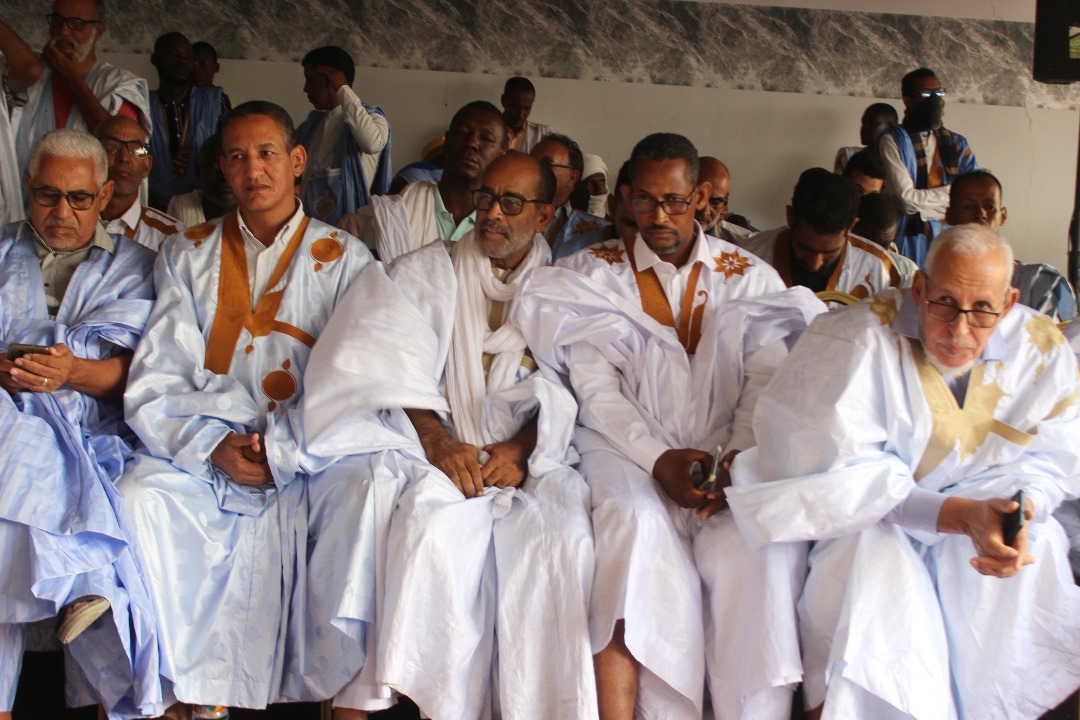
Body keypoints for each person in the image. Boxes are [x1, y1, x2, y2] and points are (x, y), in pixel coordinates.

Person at [514, 133, 822, 719]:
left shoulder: (750, 276)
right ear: (625, 198)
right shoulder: (590, 274)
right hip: (625, 451)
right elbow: (597, 392)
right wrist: (658, 460)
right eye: (645, 201)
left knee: (761, 553)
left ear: (700, 196)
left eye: (674, 201)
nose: (658, 216)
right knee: (633, 527)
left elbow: (765, 383)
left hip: (727, 460)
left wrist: (731, 462)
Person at [728, 224, 1080, 719]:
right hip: (872, 523)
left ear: (1009, 302)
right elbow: (831, 478)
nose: (959, 329)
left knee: (1034, 555)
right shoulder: (853, 339)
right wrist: (957, 516)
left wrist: (1018, 512)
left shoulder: (1040, 349)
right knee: (874, 581)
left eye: (982, 309)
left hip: (983, 513)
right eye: (944, 303)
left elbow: (1054, 460)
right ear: (919, 288)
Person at [311, 153, 596, 718]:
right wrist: (438, 443)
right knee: (426, 533)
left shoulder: (565, 292)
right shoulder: (422, 272)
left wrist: (522, 449)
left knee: (563, 545)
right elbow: (380, 364)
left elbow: (577, 386)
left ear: (544, 216)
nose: (492, 214)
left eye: (511, 203)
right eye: (486, 198)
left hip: (532, 459)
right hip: (432, 454)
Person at [117, 101, 376, 714]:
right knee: (138, 496)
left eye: (266, 154)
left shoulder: (347, 258)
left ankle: (346, 697)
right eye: (236, 157)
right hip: (205, 447)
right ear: (223, 169)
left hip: (309, 450)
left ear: (297, 161)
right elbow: (160, 367)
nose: (252, 170)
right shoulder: (186, 252)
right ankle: (180, 697)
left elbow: (359, 378)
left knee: (368, 492)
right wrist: (211, 444)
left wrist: (284, 447)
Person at [0, 128, 164, 720]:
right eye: (47, 195)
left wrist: (71, 371)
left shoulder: (138, 266)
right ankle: (83, 581)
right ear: (27, 187)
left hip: (90, 422)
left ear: (104, 196)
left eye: (78, 198)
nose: (61, 212)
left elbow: (145, 374)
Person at [1, 1, 150, 196]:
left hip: (85, 210)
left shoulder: (118, 85)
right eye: (57, 20)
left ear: (98, 31)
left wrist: (72, 79)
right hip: (20, 207)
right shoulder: (33, 75)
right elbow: (29, 69)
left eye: (76, 23)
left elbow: (117, 142)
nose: (64, 30)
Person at [357, 100, 507, 262]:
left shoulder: (502, 228)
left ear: (501, 155)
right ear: (447, 141)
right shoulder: (394, 213)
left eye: (486, 138)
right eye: (462, 132)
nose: (472, 143)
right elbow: (372, 273)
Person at [742, 168, 897, 303]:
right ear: (790, 217)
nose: (815, 264)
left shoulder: (877, 271)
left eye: (830, 252)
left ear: (851, 227)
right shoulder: (748, 258)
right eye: (805, 248)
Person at [945, 169, 1077, 322]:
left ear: (1003, 216)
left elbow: (1055, 336)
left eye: (989, 207)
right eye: (969, 206)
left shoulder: (1040, 284)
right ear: (950, 215)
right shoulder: (934, 285)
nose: (981, 214)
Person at [878, 67, 977, 266]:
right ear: (907, 100)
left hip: (950, 242)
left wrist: (923, 206)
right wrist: (952, 196)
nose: (934, 100)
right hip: (906, 240)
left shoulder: (957, 143)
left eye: (938, 93)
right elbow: (905, 201)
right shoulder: (893, 140)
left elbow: (972, 197)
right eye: (925, 94)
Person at [297, 45, 391, 225]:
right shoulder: (310, 127)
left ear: (330, 78)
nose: (305, 88)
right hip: (310, 230)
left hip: (351, 232)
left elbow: (372, 143)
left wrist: (342, 88)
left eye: (310, 79)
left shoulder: (371, 118)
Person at [147, 31, 229, 211]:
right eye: (174, 54)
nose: (182, 61)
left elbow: (228, 150)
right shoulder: (142, 102)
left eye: (188, 56)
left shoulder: (215, 101)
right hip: (152, 206)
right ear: (155, 59)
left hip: (204, 207)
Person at [96, 115, 185, 252]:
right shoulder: (68, 223)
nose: (124, 157)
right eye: (112, 146)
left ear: (146, 167)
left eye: (136, 149)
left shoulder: (173, 237)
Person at [165, 131, 236, 226]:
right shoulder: (180, 207)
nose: (224, 176)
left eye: (233, 166)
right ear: (199, 170)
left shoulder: (255, 216)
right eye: (214, 166)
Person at [852, 191, 917, 282]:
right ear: (852, 228)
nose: (880, 254)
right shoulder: (836, 267)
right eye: (872, 247)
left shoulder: (907, 271)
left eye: (885, 246)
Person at [531, 132, 583, 243]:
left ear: (572, 177)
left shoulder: (587, 228)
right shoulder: (510, 209)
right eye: (531, 160)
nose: (534, 168)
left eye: (546, 163)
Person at [695, 156, 752, 246]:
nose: (705, 211)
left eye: (715, 202)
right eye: (698, 198)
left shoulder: (739, 248)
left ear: (725, 202)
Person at [833, 102, 898, 173]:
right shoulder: (848, 155)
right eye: (863, 122)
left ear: (890, 128)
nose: (865, 127)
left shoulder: (899, 162)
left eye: (872, 123)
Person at [500, 75, 550, 153]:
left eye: (526, 108)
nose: (520, 114)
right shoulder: (489, 130)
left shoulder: (541, 135)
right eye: (515, 107)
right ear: (503, 101)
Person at [580, 153, 609, 217]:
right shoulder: (563, 220)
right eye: (590, 183)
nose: (599, 190)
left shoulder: (613, 222)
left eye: (602, 182)